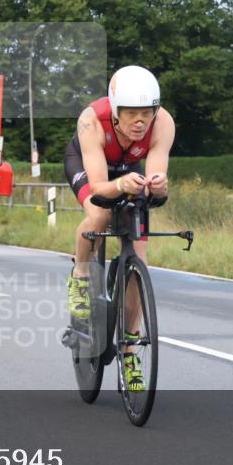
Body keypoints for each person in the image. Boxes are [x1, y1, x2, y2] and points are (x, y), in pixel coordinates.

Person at [62, 65, 175, 391]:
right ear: (115, 111)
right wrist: (120, 184)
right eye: (132, 114)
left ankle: (129, 349)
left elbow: (157, 189)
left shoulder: (163, 124)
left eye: (146, 113)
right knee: (99, 217)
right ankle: (81, 280)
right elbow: (99, 188)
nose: (141, 121)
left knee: (139, 249)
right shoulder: (91, 120)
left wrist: (158, 186)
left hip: (129, 168)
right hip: (89, 164)